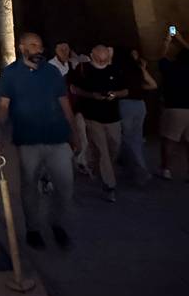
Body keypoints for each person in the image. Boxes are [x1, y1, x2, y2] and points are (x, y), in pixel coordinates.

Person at [0, 32, 79, 250]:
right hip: (28, 139)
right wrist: (1, 135)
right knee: (29, 186)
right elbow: (3, 106)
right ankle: (33, 229)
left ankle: (57, 223)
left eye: (40, 46)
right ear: (22, 47)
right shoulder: (11, 74)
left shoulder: (51, 72)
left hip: (57, 138)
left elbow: (65, 104)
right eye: (33, 45)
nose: (39, 50)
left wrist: (74, 133)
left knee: (65, 186)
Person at [70, 45, 128, 202]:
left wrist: (115, 94)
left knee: (115, 147)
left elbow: (126, 90)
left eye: (105, 59)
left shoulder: (114, 70)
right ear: (92, 56)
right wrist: (92, 95)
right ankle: (110, 185)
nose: (102, 62)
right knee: (103, 151)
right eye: (99, 59)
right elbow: (74, 89)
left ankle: (94, 165)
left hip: (113, 117)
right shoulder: (83, 69)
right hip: (92, 117)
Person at [114, 48, 156, 186]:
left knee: (128, 138)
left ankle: (139, 170)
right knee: (136, 138)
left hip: (125, 104)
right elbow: (152, 85)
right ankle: (134, 169)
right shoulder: (137, 70)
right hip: (140, 105)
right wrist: (143, 69)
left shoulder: (118, 70)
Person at [49, 42, 89, 175]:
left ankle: (80, 161)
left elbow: (87, 60)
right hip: (59, 109)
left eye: (67, 49)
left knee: (81, 134)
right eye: (61, 49)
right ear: (56, 50)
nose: (64, 52)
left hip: (75, 107)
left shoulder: (73, 63)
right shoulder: (50, 66)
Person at [158, 29, 189, 179]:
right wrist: (181, 39)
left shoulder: (170, 68)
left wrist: (167, 41)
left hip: (174, 108)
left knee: (169, 141)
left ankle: (166, 169)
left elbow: (161, 57)